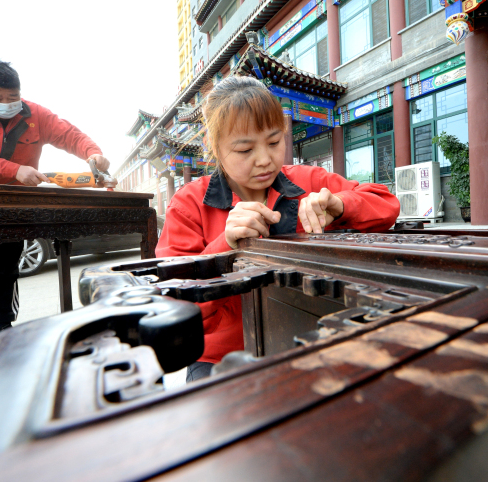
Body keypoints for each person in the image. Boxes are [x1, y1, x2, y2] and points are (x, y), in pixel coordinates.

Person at [155, 76, 400, 382]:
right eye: (245, 150)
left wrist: (341, 203)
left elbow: (386, 204)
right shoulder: (188, 203)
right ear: (214, 147)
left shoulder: (307, 181)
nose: (264, 160)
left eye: (274, 142)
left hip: (307, 342)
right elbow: (174, 303)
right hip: (222, 359)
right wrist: (224, 245)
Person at [0, 55, 111, 366]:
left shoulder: (34, 113)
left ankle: (3, 327)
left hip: (8, 203)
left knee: (4, 268)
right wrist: (14, 170)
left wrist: (93, 152)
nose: (7, 103)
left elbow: (69, 134)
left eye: (13, 97)